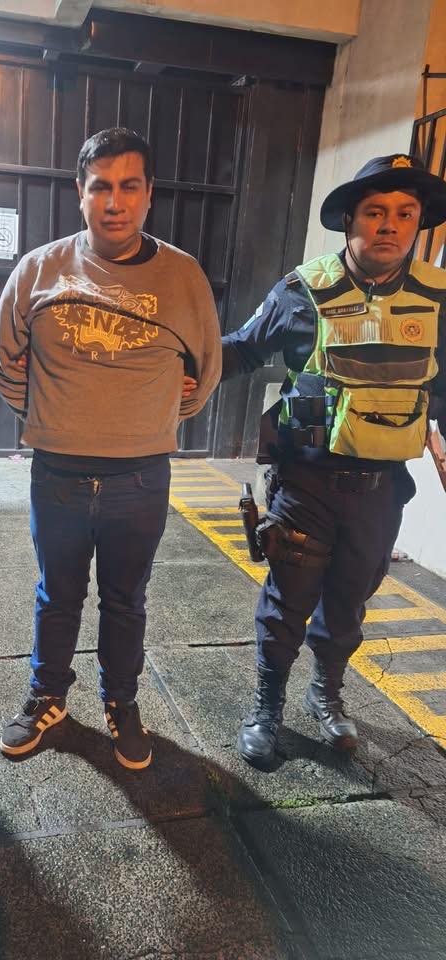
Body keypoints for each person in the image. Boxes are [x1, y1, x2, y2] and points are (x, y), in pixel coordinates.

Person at [0, 127, 222, 770]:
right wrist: (51, 415)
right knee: (56, 595)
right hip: (57, 473)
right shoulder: (39, 269)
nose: (114, 202)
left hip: (140, 480)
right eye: (100, 187)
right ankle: (47, 698)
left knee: (125, 600)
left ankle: (121, 702)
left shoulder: (183, 277)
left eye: (128, 187)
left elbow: (205, 373)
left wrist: (151, 419)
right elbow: (1, 359)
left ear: (149, 194)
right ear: (80, 193)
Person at [221, 154, 446, 769]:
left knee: (349, 601)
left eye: (405, 213)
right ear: (350, 219)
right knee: (287, 601)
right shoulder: (302, 290)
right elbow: (240, 351)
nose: (390, 225)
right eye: (375, 212)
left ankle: (326, 693)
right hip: (306, 484)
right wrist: (172, 367)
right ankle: (266, 706)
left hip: (381, 489)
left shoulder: (437, 298)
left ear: (419, 222)